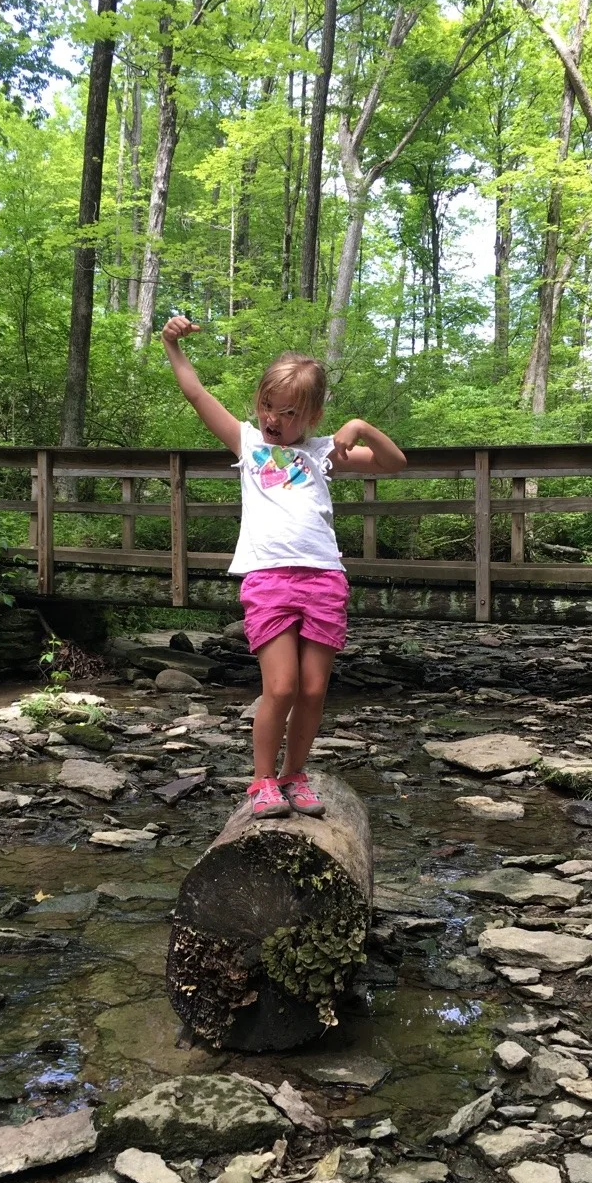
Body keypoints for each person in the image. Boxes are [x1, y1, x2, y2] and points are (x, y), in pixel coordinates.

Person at [161, 315, 407, 818]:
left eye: (289, 412)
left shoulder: (324, 454)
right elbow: (197, 395)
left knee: (314, 689)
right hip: (269, 577)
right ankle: (261, 780)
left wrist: (359, 428)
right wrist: (172, 346)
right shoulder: (249, 443)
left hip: (323, 578)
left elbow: (394, 463)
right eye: (268, 407)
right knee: (281, 686)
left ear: (314, 415)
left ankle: (295, 775)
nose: (274, 419)